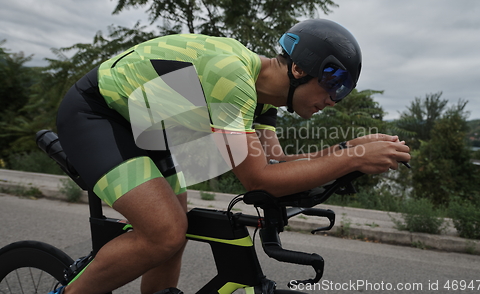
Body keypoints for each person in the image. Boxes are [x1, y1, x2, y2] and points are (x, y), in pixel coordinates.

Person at [52, 19, 410, 294]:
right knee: (165, 233)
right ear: (300, 69)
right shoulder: (233, 75)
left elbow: (276, 166)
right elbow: (258, 180)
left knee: (175, 231)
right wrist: (353, 158)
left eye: (342, 91)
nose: (334, 99)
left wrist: (349, 149)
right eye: (333, 84)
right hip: (98, 114)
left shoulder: (262, 99)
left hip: (149, 126)